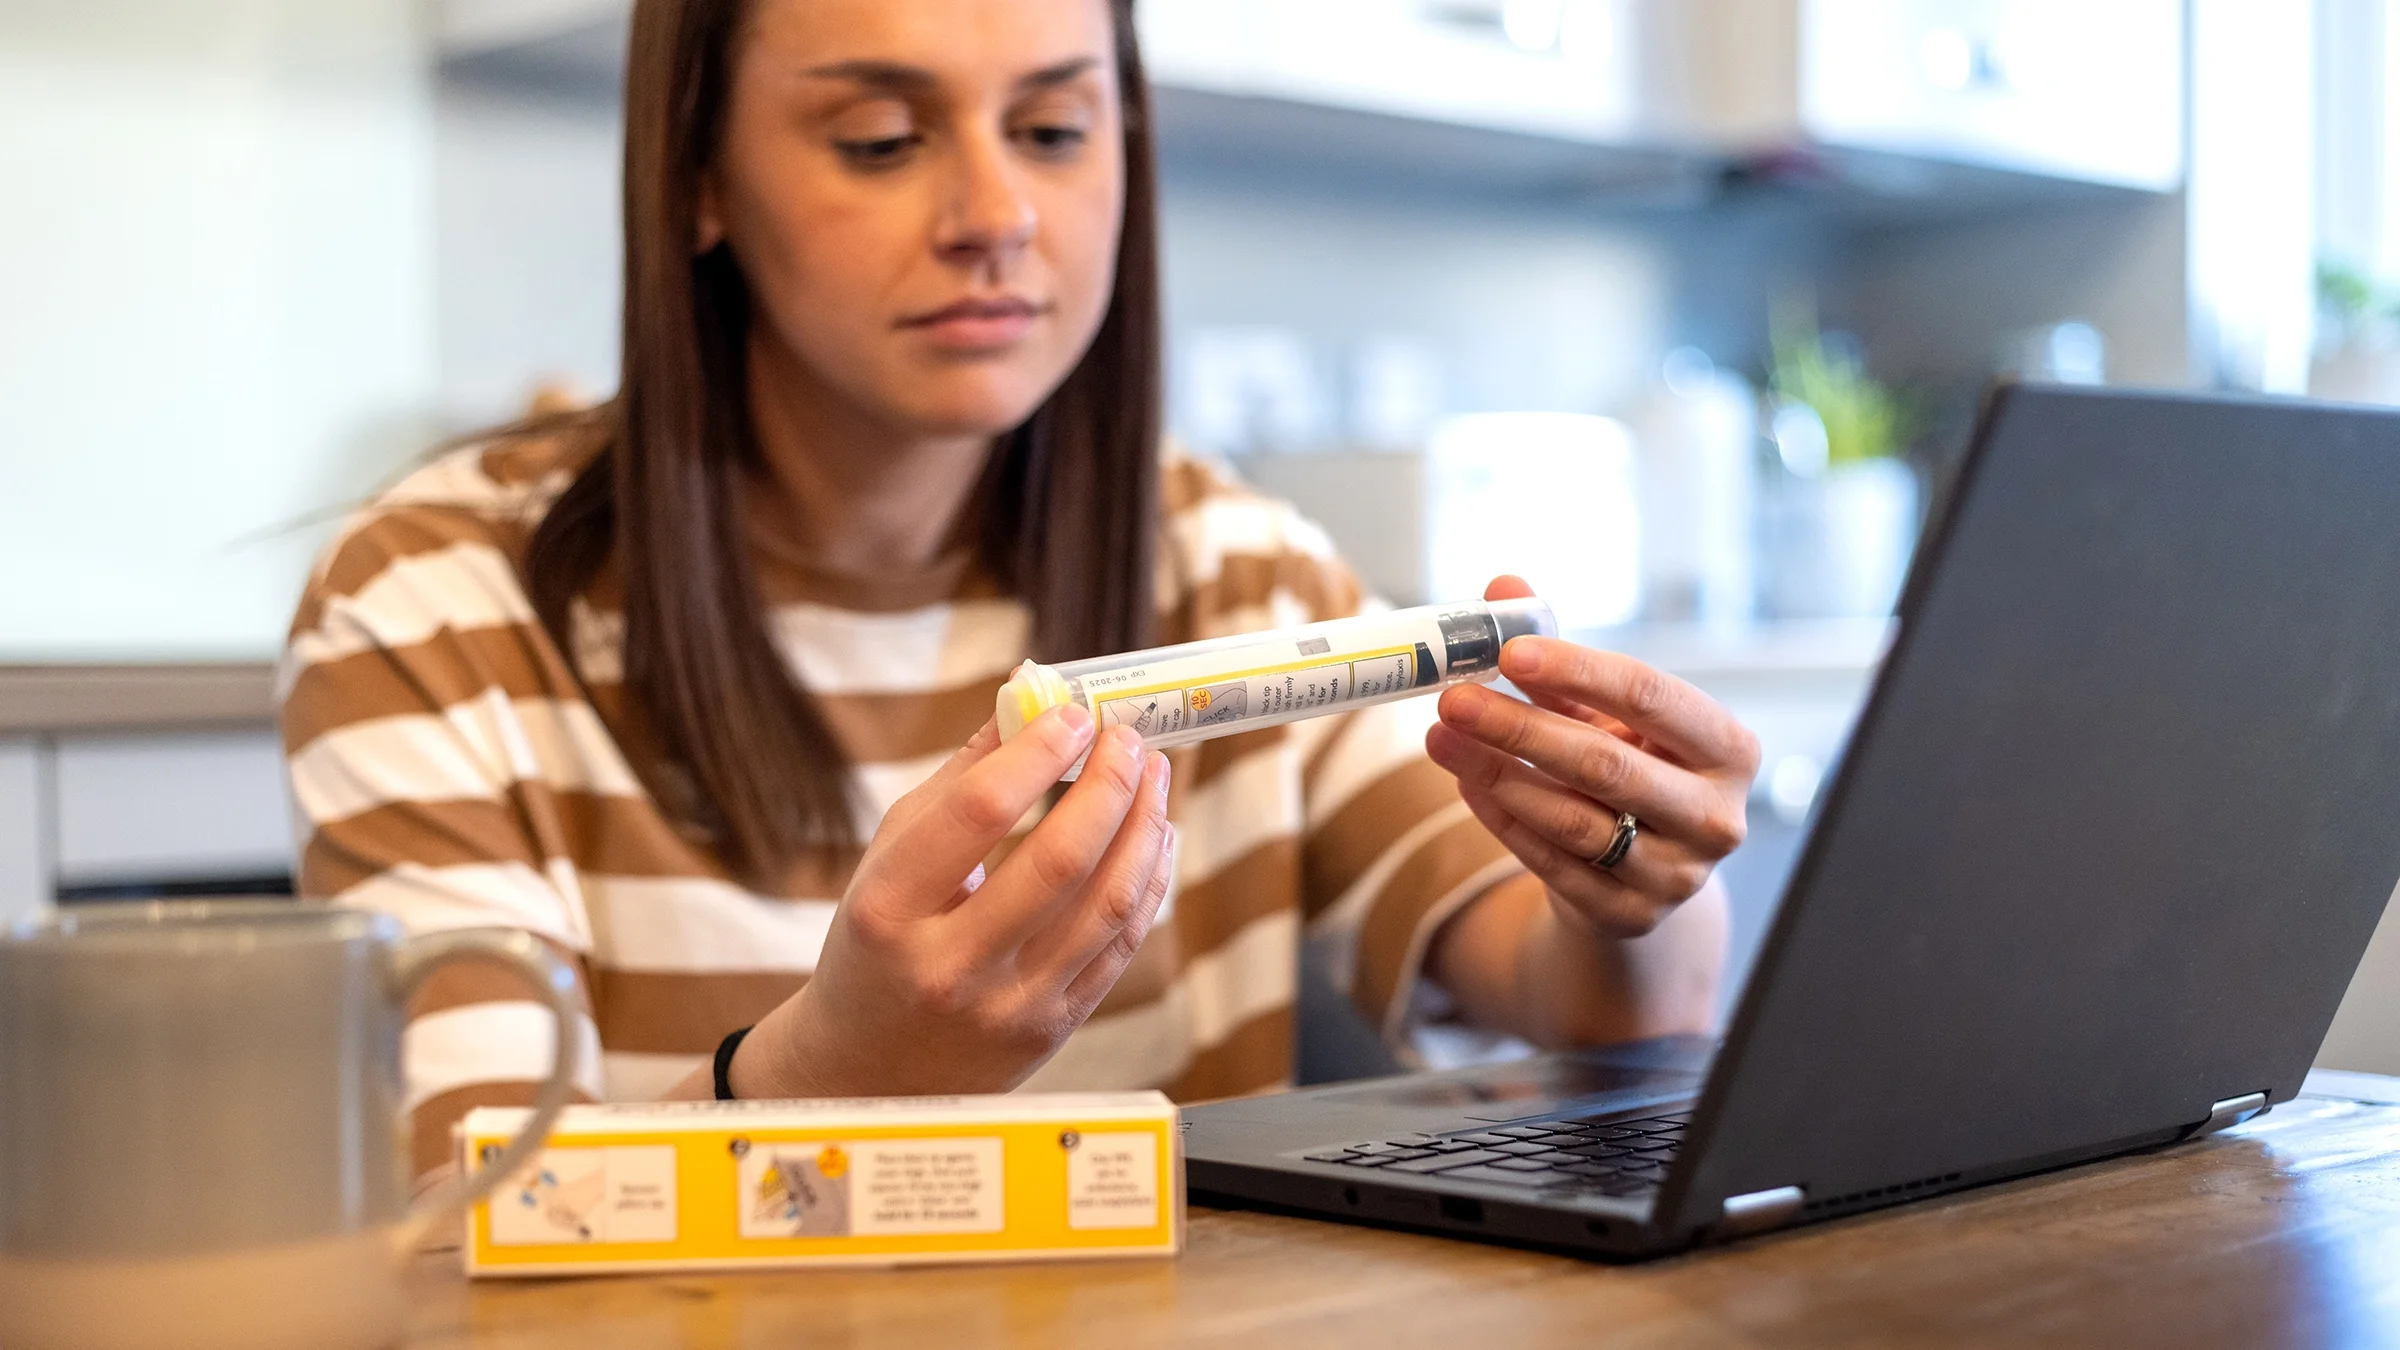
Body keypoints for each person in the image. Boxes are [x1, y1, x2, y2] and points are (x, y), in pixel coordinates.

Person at [280, 0, 1758, 1188]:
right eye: (877, 139)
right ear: (699, 178)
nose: (997, 212)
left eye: (1053, 127)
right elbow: (456, 1232)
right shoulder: (429, 610)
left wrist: (1636, 886)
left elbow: (1592, 1009)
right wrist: (833, 1072)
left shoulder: (1236, 572)